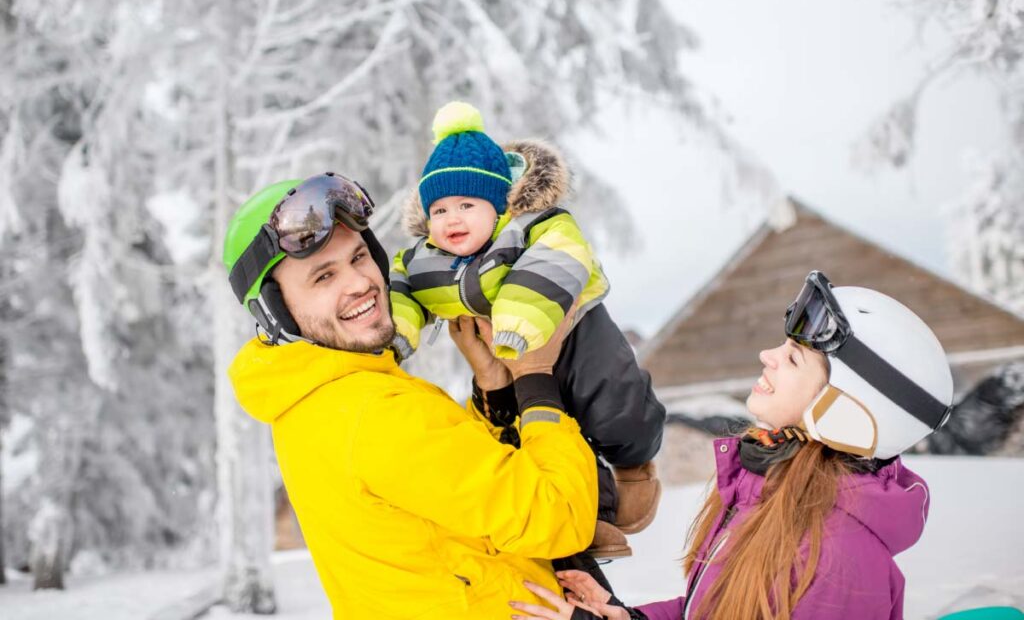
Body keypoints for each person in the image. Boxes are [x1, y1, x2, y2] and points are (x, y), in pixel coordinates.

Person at [222, 172, 601, 619]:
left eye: (360, 257)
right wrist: (536, 376)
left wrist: (494, 391)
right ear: (276, 310)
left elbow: (449, 519)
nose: (361, 283)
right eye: (323, 277)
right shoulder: (377, 413)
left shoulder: (311, 398)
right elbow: (559, 515)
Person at [510, 271, 955, 620]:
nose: (768, 356)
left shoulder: (836, 563)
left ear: (847, 411)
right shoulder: (776, 491)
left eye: (794, 357)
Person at [389, 101, 667, 559]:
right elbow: (401, 289)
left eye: (466, 204)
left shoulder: (533, 227)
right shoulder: (425, 259)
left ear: (499, 205)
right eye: (438, 209)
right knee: (536, 433)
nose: (451, 219)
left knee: (613, 403)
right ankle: (590, 512)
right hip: (509, 357)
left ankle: (634, 462)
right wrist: (399, 334)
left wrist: (521, 319)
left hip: (573, 330)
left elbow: (559, 257)